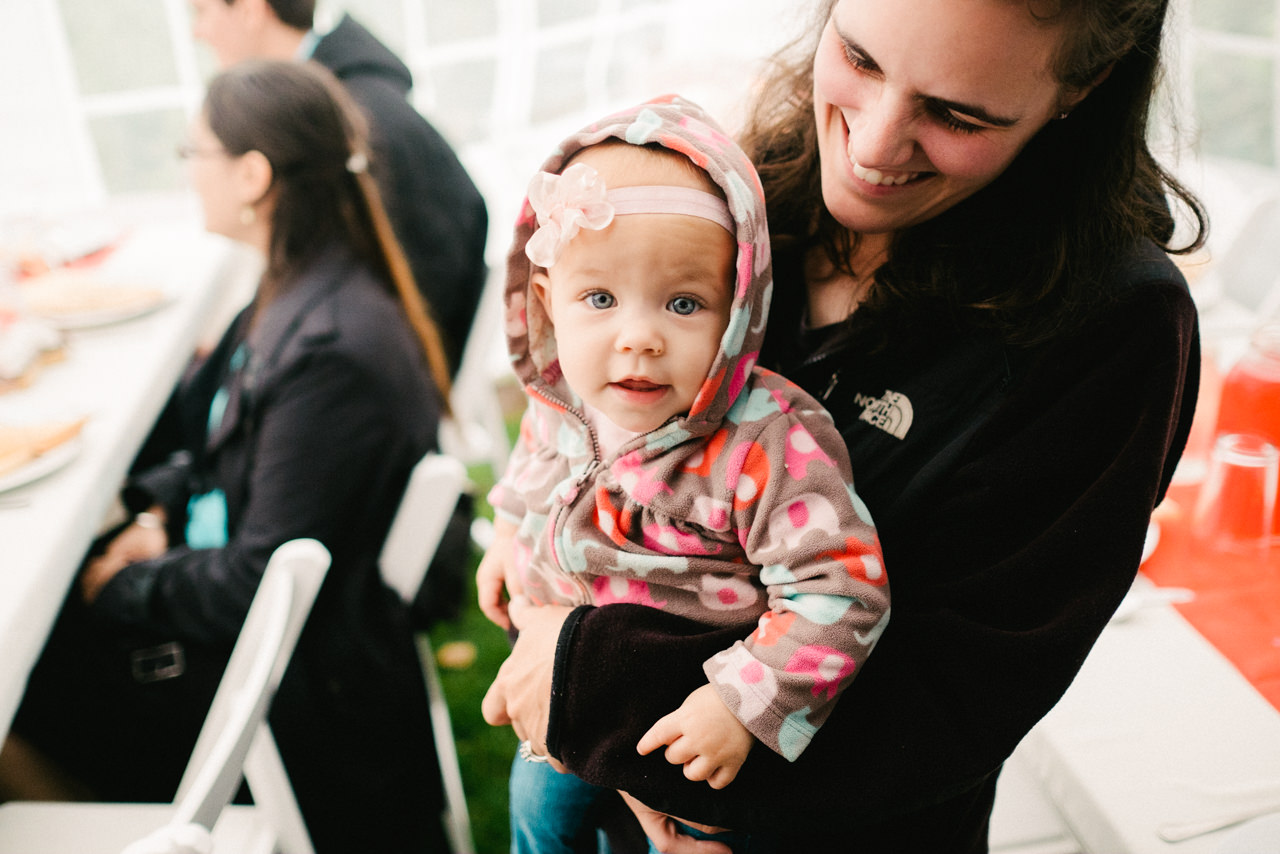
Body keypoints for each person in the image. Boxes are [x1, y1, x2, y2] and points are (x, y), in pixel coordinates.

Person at [480, 0, 1208, 851]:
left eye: (956, 114)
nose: (869, 149)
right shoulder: (738, 203)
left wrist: (583, 678)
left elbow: (960, 687)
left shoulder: (1111, 324)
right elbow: (589, 441)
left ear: (1085, 85)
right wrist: (532, 586)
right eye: (859, 59)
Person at [0, 60, 454, 853]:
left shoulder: (328, 347)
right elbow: (227, 450)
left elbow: (255, 576)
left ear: (251, 174)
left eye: (194, 152)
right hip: (283, 637)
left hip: (299, 696)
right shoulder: (299, 286)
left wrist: (124, 585)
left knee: (23, 688)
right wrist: (157, 514)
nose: (188, 172)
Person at [477, 95, 889, 854]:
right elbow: (538, 459)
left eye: (683, 303)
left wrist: (742, 703)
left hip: (681, 715)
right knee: (541, 821)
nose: (639, 339)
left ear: (737, 311)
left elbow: (842, 587)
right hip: (562, 690)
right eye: (599, 298)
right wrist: (510, 527)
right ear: (548, 303)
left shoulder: (765, 442)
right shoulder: (564, 393)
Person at [189, 0, 489, 377]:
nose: (196, 32)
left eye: (201, 11)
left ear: (249, 10)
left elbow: (424, 274)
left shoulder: (363, 122)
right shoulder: (333, 110)